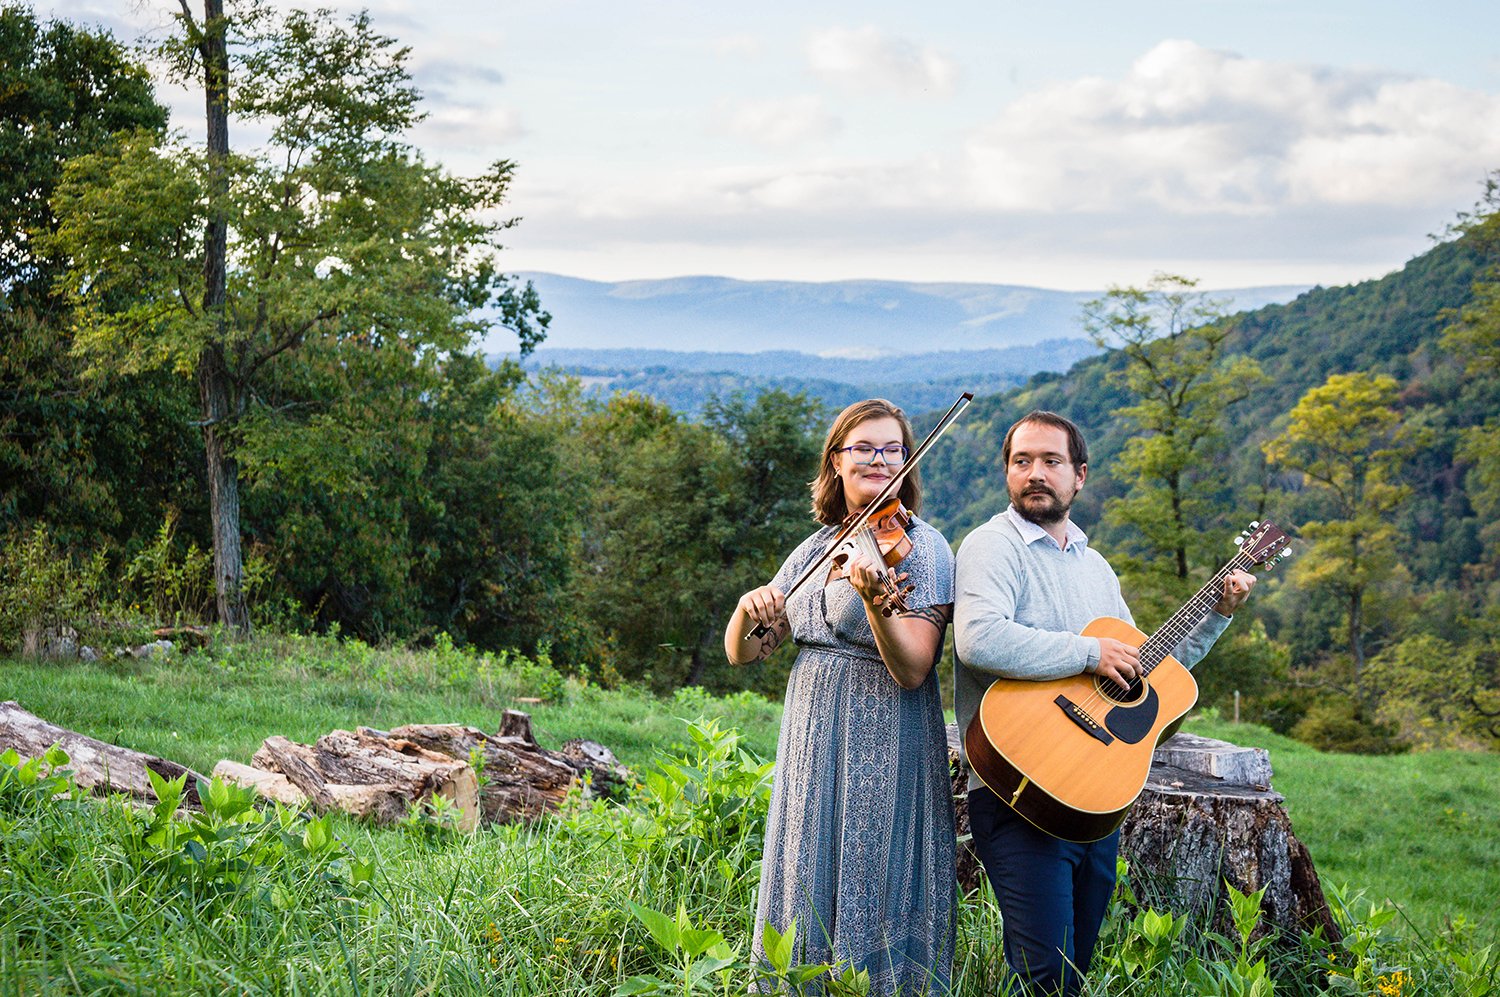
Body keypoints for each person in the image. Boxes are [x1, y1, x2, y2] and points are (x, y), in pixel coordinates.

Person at [953, 410, 1255, 997]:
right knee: (1046, 977)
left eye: (1051, 461)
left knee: (1073, 972)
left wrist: (1217, 613)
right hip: (1018, 788)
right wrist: (1090, 651)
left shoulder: (1095, 567)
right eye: (1022, 462)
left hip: (1093, 799)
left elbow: (1143, 670)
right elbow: (980, 639)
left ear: (1080, 475)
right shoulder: (993, 546)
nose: (1035, 474)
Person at [725, 398, 956, 996]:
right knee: (806, 862)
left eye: (892, 449)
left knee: (873, 864)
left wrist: (879, 601)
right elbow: (748, 651)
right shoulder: (816, 547)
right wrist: (745, 613)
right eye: (864, 448)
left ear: (907, 461)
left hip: (883, 728)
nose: (879, 460)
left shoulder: (924, 548)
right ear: (837, 461)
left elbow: (913, 668)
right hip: (811, 730)